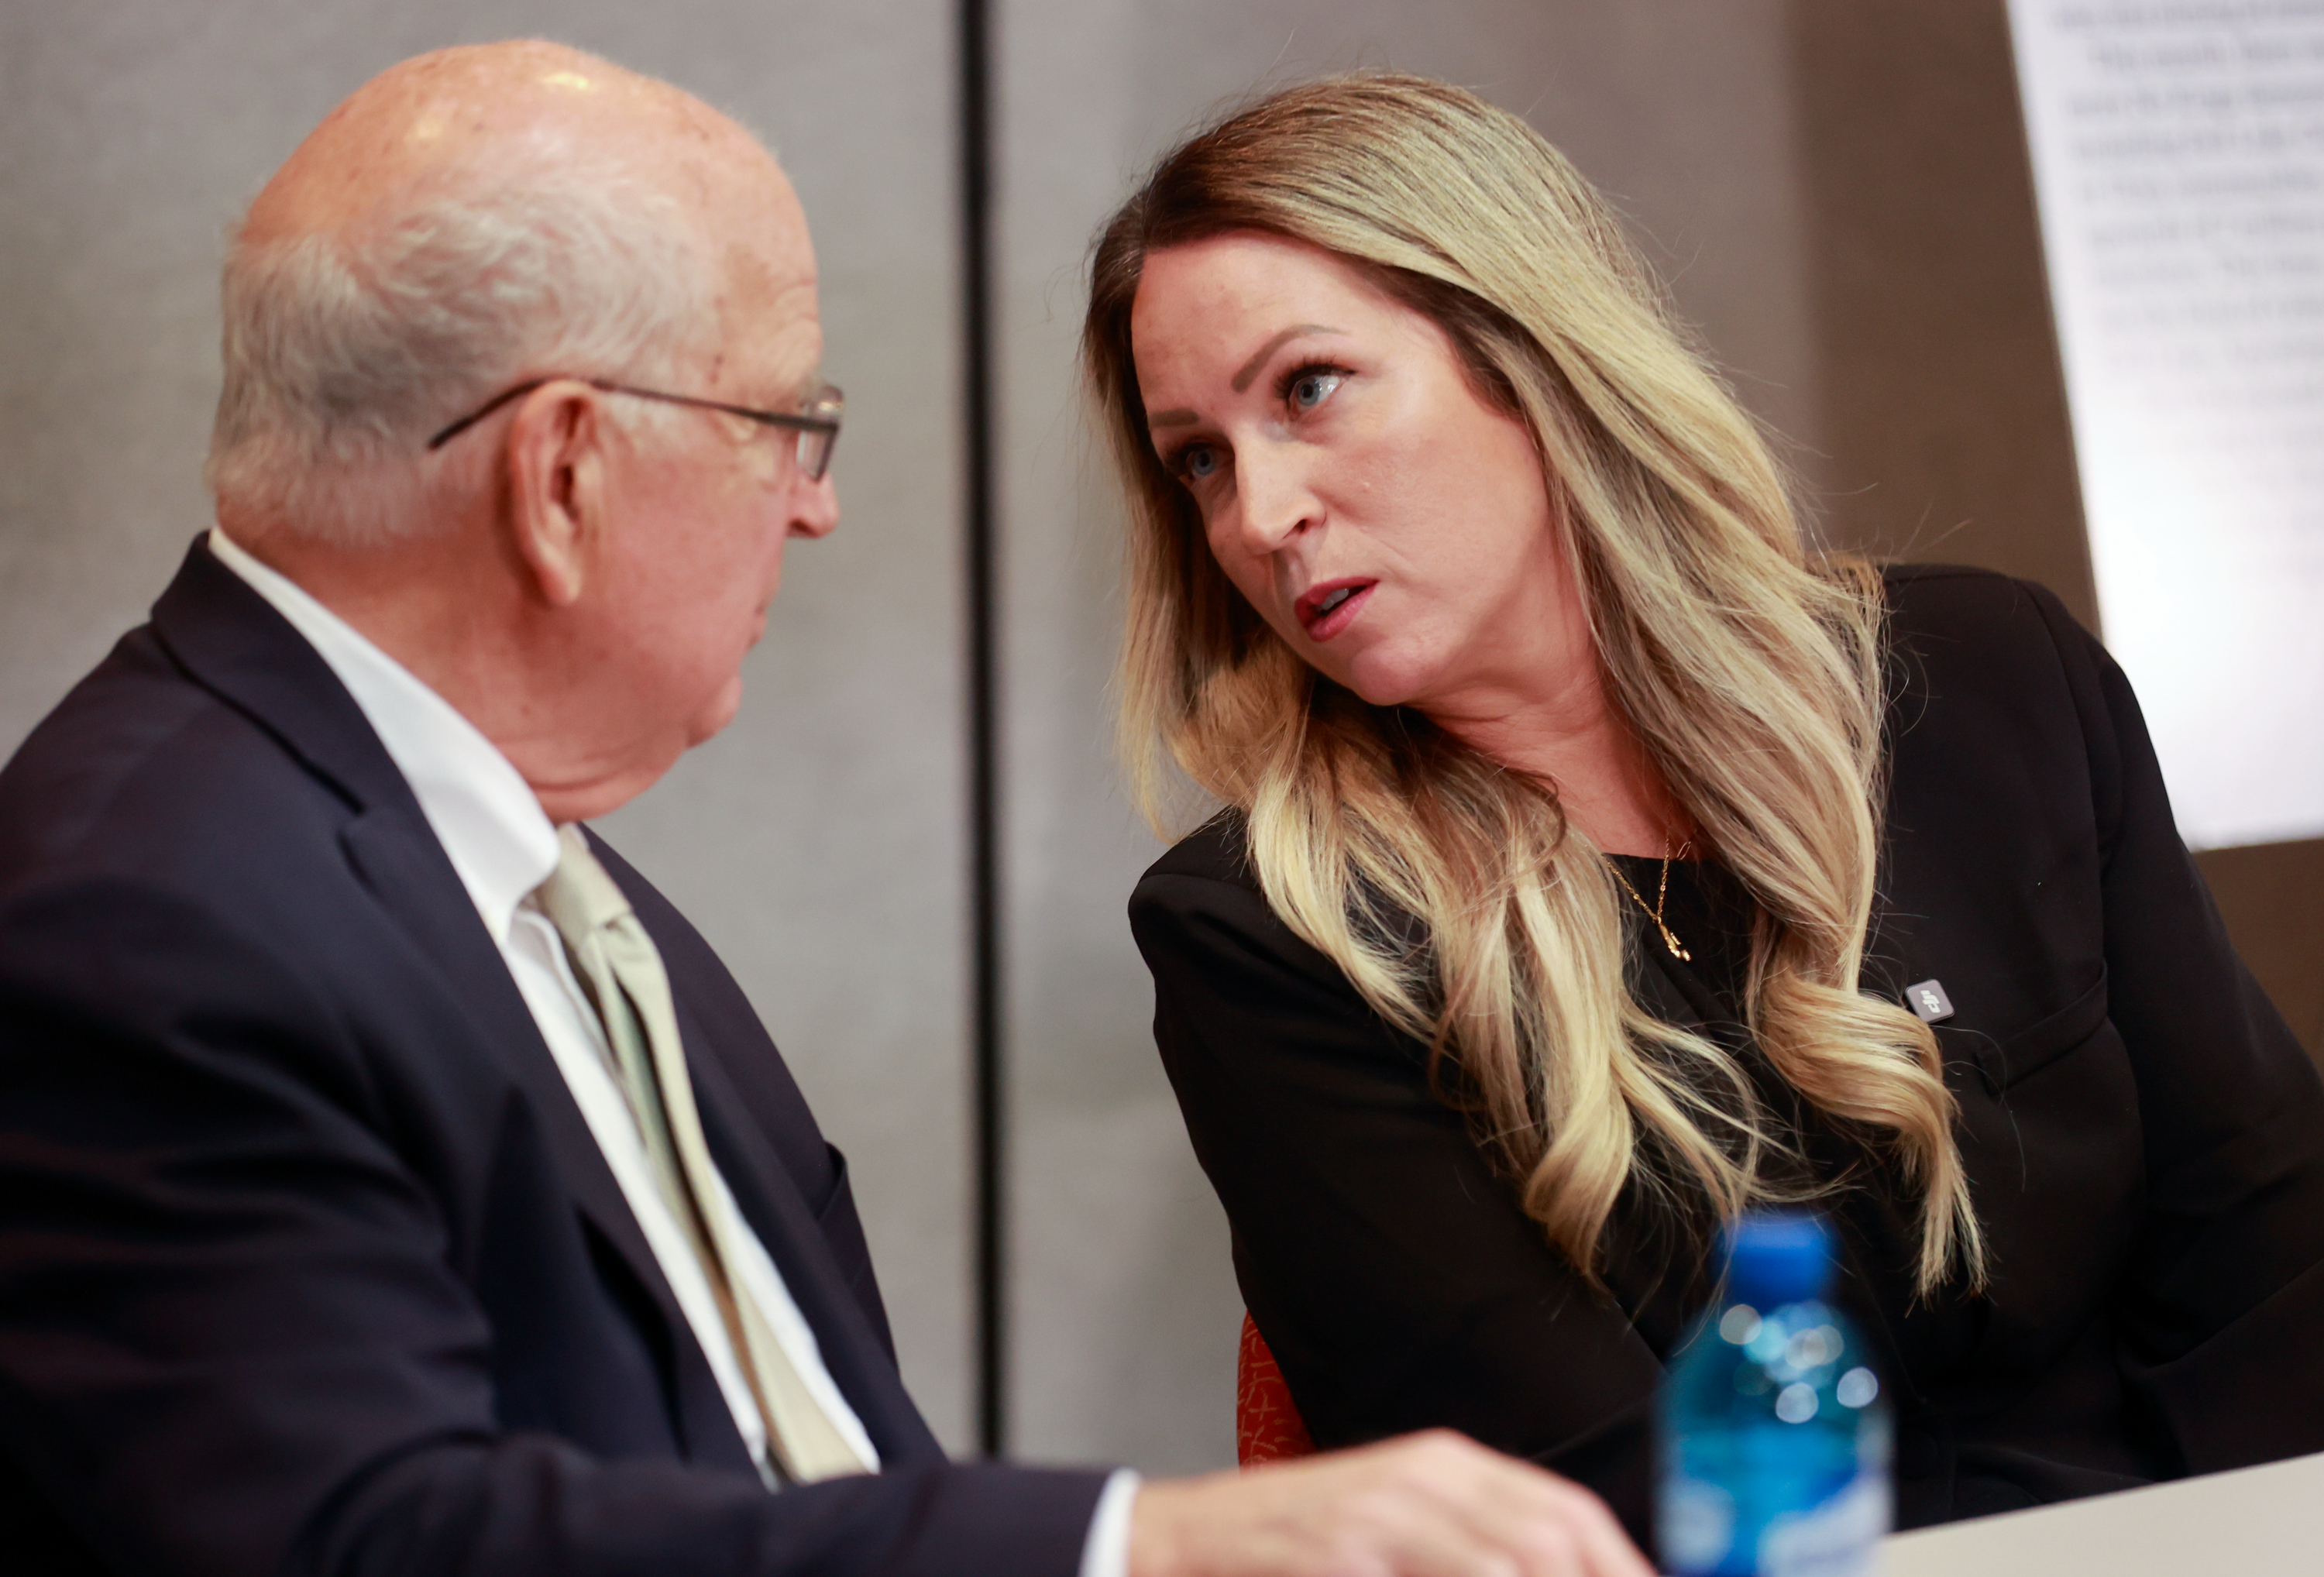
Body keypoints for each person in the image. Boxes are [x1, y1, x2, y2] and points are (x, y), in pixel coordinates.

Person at [0, 43, 1655, 1577]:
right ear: (565, 475)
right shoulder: (145, 915)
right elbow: (371, 1537)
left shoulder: (560, 902)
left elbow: (817, 1469)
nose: (818, 505)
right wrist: (1129, 1545)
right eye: (786, 425)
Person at [1088, 73, 2324, 1556]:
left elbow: (2267, 1272)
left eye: (1308, 389)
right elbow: (1578, 1498)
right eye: (1199, 460)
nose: (1258, 515)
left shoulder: (1992, 683)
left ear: (1526, 353)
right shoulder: (1272, 931)